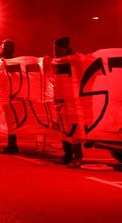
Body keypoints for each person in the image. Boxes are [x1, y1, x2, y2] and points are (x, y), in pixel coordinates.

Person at [53, 36, 83, 168]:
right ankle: (67, 155)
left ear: (63, 49)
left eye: (57, 49)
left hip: (72, 100)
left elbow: (78, 60)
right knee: (64, 129)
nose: (55, 51)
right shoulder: (58, 62)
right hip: (61, 100)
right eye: (54, 49)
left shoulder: (73, 59)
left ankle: (77, 156)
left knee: (74, 128)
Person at [0, 39, 19, 154]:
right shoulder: (3, 61)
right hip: (5, 95)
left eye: (3, 45)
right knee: (9, 121)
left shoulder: (11, 62)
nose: (1, 47)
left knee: (11, 121)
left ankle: (12, 145)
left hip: (10, 96)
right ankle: (11, 144)